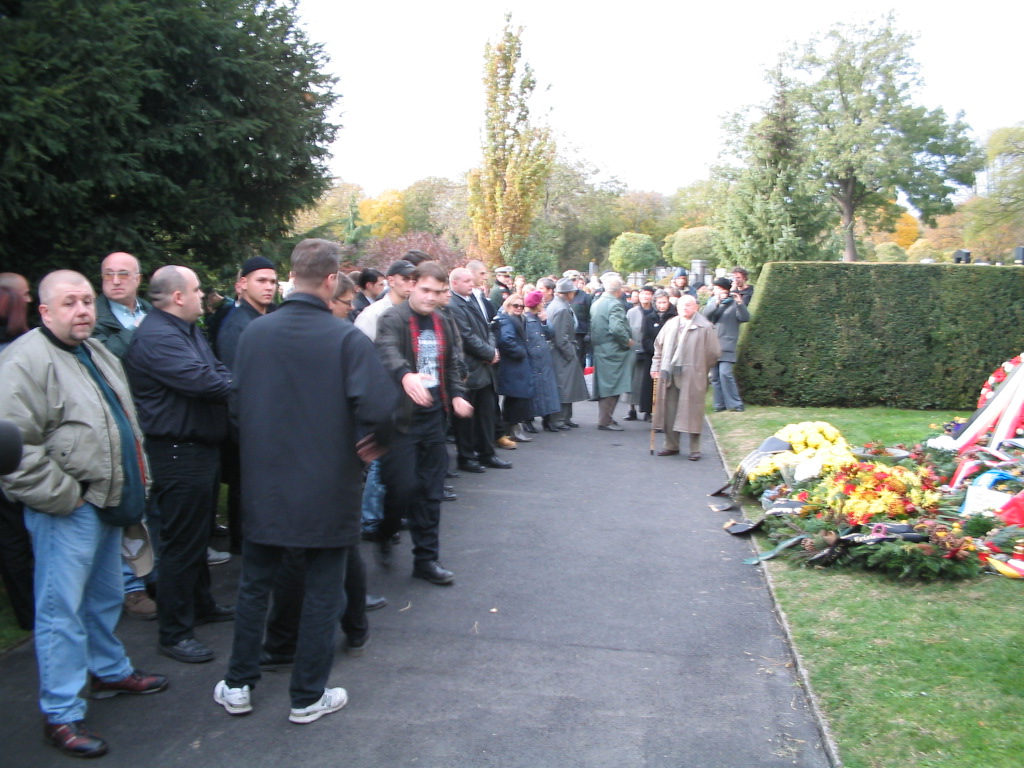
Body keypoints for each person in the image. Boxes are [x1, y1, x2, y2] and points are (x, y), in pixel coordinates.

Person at [213, 238, 397, 724]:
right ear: (332, 280)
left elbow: (236, 404)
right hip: (328, 483)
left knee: (255, 584)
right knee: (322, 588)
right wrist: (376, 442)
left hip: (265, 481)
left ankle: (238, 683)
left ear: (291, 276)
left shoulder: (254, 333)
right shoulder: (344, 338)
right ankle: (307, 694)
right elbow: (381, 408)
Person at [0, 271, 167, 759]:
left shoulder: (95, 351)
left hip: (107, 502)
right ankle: (61, 713)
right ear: (44, 311)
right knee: (61, 612)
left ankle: (109, 671)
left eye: (86, 302)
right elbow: (15, 450)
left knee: (104, 597)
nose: (82, 311)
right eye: (69, 303)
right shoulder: (24, 361)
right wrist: (66, 496)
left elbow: (123, 424)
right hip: (68, 508)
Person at [124, 266, 235, 664]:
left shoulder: (185, 330)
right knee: (181, 544)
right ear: (177, 296)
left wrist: (230, 381)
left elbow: (215, 369)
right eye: (197, 289)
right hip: (177, 452)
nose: (203, 294)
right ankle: (174, 632)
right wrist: (246, 385)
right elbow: (204, 382)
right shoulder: (158, 337)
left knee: (197, 537)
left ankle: (201, 605)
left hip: (198, 448)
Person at [375, 261, 472, 584]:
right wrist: (406, 375)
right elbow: (386, 351)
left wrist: (457, 395)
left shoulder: (442, 321)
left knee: (431, 493)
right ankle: (385, 531)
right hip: (400, 422)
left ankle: (426, 560)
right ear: (411, 285)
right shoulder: (393, 318)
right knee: (401, 489)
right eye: (425, 289)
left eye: (437, 291)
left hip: (433, 419)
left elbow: (451, 366)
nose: (430, 297)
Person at [91, 251, 159, 620]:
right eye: (108, 275)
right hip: (118, 420)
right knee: (126, 503)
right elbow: (107, 357)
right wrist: (145, 336)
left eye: (122, 274)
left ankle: (153, 575)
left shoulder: (147, 311)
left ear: (138, 278)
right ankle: (131, 587)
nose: (115, 281)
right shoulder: (95, 317)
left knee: (152, 501)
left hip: (151, 418)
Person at [214, 256, 278, 556]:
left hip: (269, 420)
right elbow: (234, 384)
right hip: (249, 425)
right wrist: (245, 431)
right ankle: (243, 546)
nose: (269, 287)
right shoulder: (236, 326)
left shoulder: (267, 318)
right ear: (242, 284)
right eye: (261, 281)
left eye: (272, 281)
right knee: (245, 488)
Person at [448, 267, 511, 472]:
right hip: (469, 367)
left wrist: (492, 350)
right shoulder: (453, 304)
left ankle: (487, 453)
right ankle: (467, 457)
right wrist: (489, 353)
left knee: (486, 414)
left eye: (471, 280)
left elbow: (487, 328)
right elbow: (465, 336)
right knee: (466, 419)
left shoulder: (472, 299)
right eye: (466, 281)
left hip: (484, 366)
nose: (471, 283)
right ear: (454, 283)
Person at [0, 283, 34, 632]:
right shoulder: (20, 350)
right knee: (19, 531)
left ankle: (27, 611)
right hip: (15, 449)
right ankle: (35, 609)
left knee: (10, 534)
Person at [651, 295, 721, 460]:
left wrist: (700, 368)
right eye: (682, 305)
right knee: (669, 411)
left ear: (696, 307)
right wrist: (655, 367)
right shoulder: (671, 324)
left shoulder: (705, 327)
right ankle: (671, 445)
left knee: (693, 411)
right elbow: (658, 347)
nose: (685, 308)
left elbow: (713, 353)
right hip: (669, 374)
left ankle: (695, 449)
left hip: (693, 375)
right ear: (677, 307)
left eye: (689, 305)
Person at [590, 274, 634, 431]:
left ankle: (605, 418)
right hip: (613, 350)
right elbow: (616, 328)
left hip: (600, 347)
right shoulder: (614, 304)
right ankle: (605, 420)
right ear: (619, 290)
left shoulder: (597, 302)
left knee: (606, 384)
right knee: (613, 385)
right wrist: (626, 341)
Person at [546, 278, 589, 430]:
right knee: (563, 386)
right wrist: (570, 354)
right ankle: (559, 419)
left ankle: (565, 418)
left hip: (561, 351)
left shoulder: (558, 305)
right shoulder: (562, 309)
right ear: (569, 293)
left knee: (566, 385)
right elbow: (560, 337)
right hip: (562, 353)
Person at [703, 276, 750, 412]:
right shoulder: (712, 303)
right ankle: (719, 404)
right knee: (715, 377)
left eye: (719, 289)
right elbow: (705, 315)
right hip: (712, 345)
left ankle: (735, 403)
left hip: (727, 345)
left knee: (725, 373)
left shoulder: (734, 303)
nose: (716, 291)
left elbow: (745, 318)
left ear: (726, 290)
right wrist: (717, 302)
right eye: (715, 289)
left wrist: (740, 302)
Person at [495, 293, 535, 444]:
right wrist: (521, 353)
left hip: (516, 364)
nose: (519, 308)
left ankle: (512, 429)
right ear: (508, 305)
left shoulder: (516, 319)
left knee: (517, 398)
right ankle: (512, 430)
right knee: (516, 398)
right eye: (515, 305)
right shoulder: (507, 319)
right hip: (513, 365)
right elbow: (506, 340)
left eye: (521, 306)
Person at [522, 290, 561, 432]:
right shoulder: (526, 319)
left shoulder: (539, 317)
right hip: (533, 360)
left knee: (547, 389)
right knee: (534, 390)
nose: (544, 303)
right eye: (541, 301)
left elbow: (550, 333)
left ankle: (547, 419)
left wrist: (545, 321)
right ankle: (528, 419)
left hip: (543, 359)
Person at [354, 259, 415, 341]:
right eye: (405, 279)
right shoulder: (373, 313)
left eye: (414, 280)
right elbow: (359, 343)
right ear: (391, 281)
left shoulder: (417, 312)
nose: (411, 284)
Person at [625, 285, 656, 421]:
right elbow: (626, 329)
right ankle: (631, 409)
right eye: (643, 294)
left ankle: (647, 411)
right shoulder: (632, 312)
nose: (645, 297)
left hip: (650, 351)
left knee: (647, 381)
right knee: (632, 380)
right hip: (633, 350)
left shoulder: (655, 312)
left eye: (648, 294)